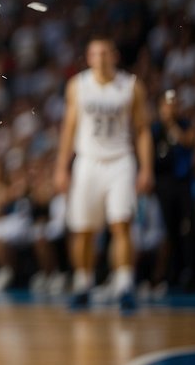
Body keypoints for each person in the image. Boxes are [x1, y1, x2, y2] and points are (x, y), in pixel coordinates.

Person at [53, 37, 153, 312]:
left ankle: (124, 285)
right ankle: (83, 284)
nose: (100, 57)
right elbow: (69, 127)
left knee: (121, 224)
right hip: (87, 160)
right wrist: (61, 167)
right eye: (95, 53)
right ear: (88, 58)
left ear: (115, 56)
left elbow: (142, 129)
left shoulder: (131, 85)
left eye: (105, 52)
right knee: (83, 229)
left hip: (121, 159)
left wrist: (146, 167)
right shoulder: (78, 85)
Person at [147, 90, 195, 294]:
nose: (170, 108)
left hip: (183, 185)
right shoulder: (154, 130)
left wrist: (171, 125)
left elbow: (188, 141)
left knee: (187, 229)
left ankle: (191, 275)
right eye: (166, 104)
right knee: (168, 232)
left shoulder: (184, 125)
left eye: (173, 103)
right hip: (163, 187)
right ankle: (169, 276)